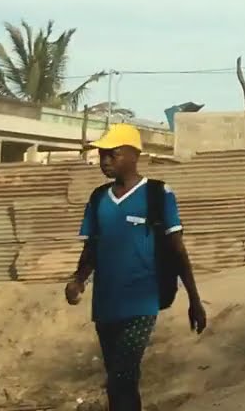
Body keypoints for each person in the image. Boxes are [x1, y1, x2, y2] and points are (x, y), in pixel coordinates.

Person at [65, 124, 207, 411]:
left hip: (142, 301)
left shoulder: (157, 194)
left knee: (122, 375)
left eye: (112, 154)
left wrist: (194, 299)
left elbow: (177, 249)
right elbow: (91, 247)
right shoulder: (98, 199)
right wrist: (78, 279)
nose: (105, 160)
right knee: (119, 380)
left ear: (133, 155)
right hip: (105, 304)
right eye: (102, 154)